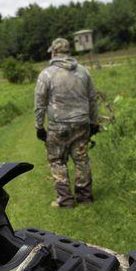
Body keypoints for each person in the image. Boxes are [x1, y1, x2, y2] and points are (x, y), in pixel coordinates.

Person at [34, 38, 99, 208]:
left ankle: (66, 200)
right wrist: (94, 122)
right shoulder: (84, 72)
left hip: (58, 126)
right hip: (82, 123)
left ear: (53, 53)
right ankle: (85, 198)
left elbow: (40, 103)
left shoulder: (46, 74)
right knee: (81, 159)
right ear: (68, 52)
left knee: (57, 161)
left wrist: (39, 127)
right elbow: (93, 99)